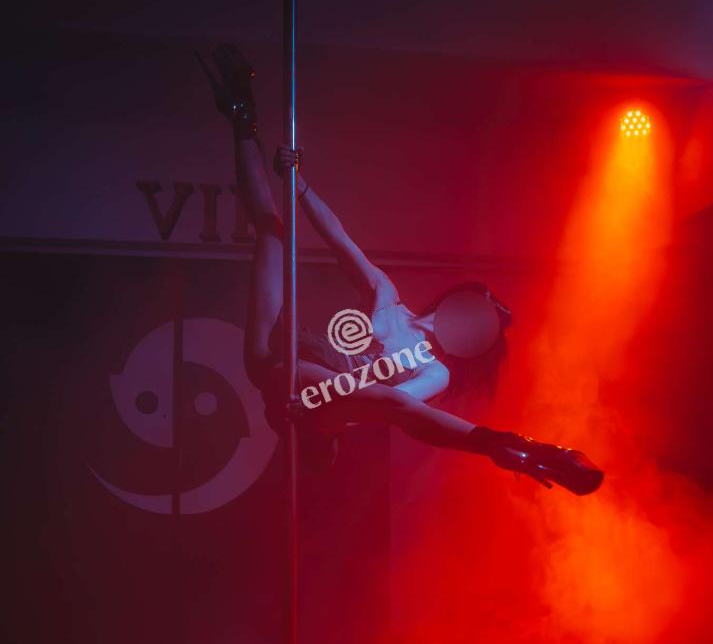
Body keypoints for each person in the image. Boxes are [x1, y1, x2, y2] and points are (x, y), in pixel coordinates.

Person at [197, 44, 603, 495]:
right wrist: (299, 184)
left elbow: (391, 408)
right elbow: (340, 240)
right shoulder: (386, 297)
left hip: (326, 402)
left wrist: (323, 416)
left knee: (375, 400)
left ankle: (512, 445)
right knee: (272, 234)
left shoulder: (437, 371)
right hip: (289, 363)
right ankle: (242, 118)